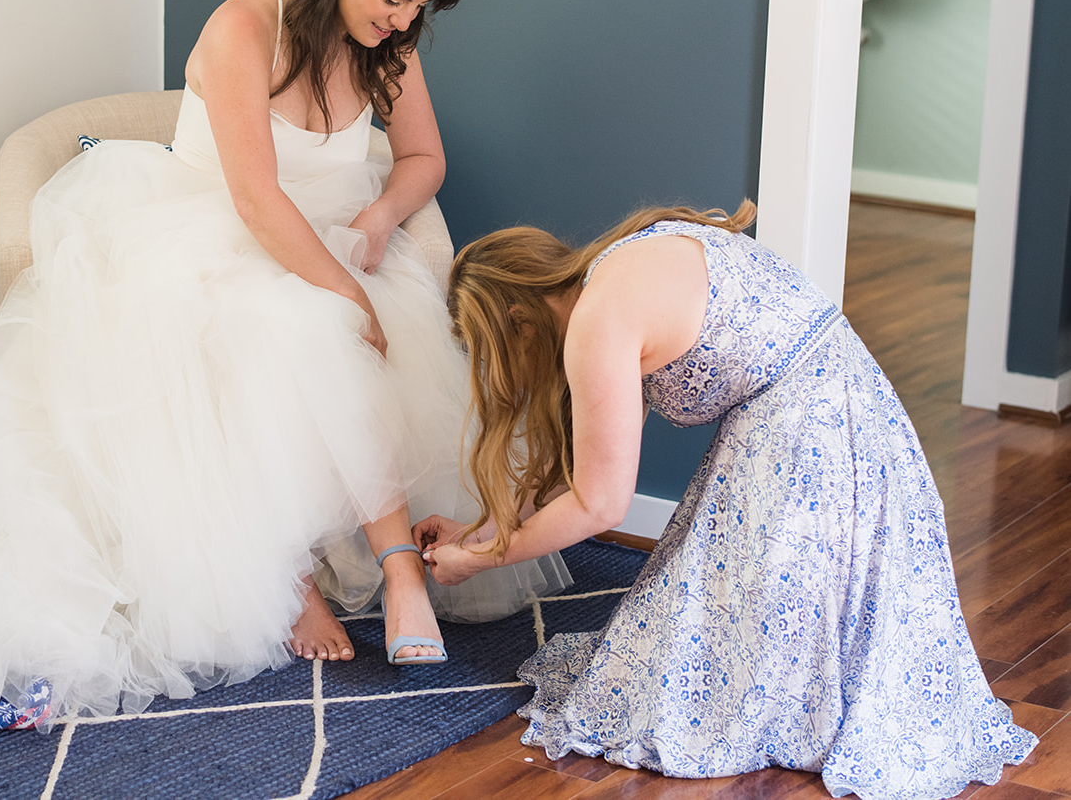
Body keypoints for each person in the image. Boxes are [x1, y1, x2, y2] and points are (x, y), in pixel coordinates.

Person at [0, 0, 569, 734]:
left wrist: (377, 216)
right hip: (215, 238)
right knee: (303, 329)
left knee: (359, 332)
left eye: (420, 7)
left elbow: (423, 157)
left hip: (331, 241)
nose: (404, 22)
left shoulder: (386, 49)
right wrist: (344, 292)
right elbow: (255, 200)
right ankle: (359, 574)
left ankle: (375, 564)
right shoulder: (245, 27)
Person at [416, 202, 1038, 799]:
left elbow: (600, 504)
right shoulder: (620, 263)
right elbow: (584, 468)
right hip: (851, 401)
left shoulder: (597, 325)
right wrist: (484, 529)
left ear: (516, 324)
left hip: (808, 433)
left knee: (694, 685)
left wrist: (482, 561)